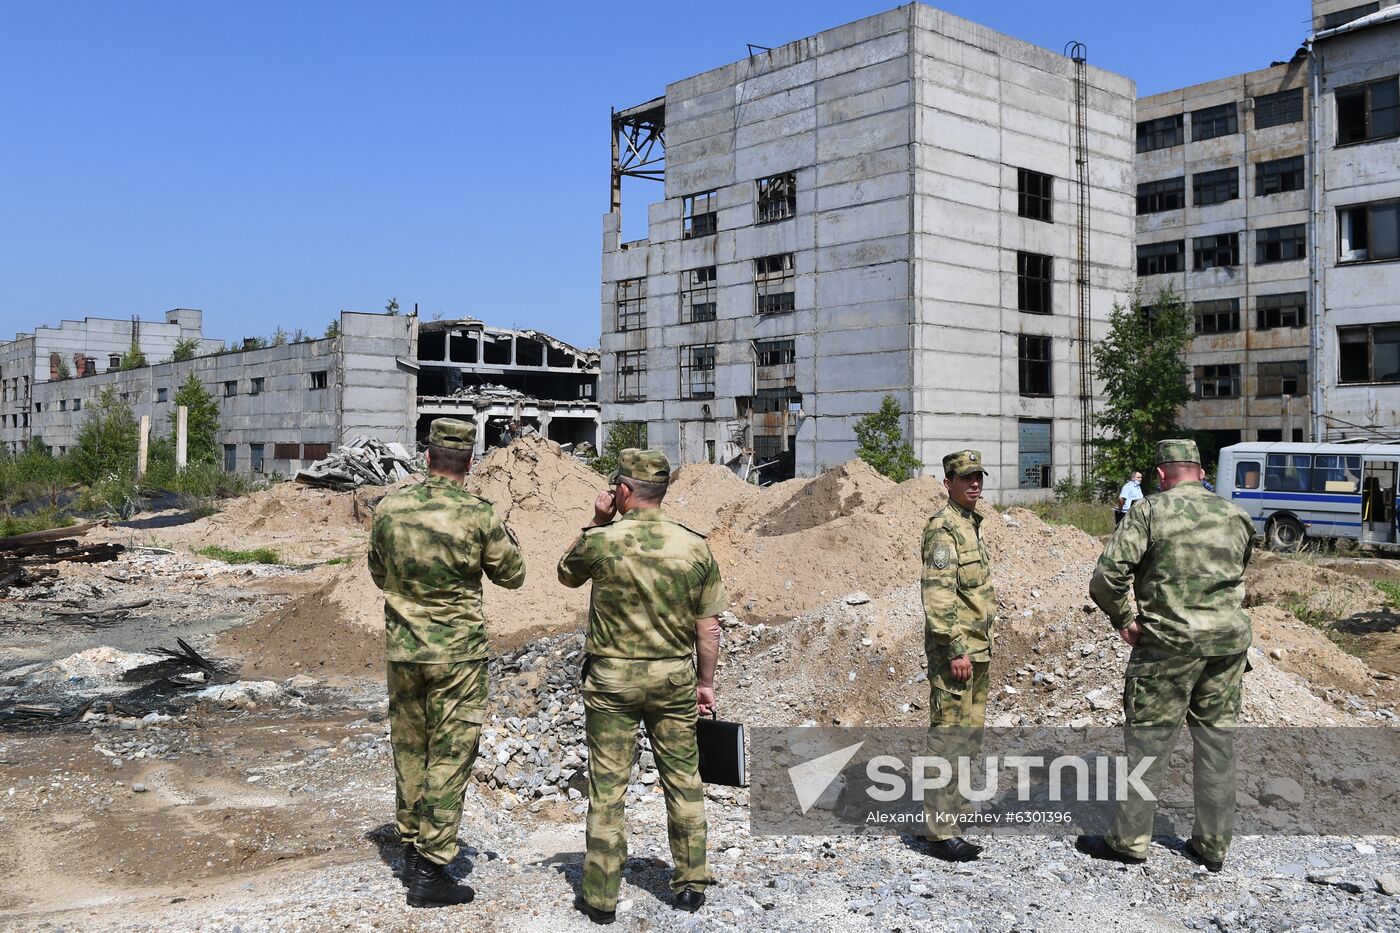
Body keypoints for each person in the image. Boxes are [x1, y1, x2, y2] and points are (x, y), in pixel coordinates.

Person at [557, 448, 725, 923]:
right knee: (683, 779)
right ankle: (691, 883)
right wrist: (705, 684)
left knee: (608, 789)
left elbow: (566, 574)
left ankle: (600, 898)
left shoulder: (602, 541)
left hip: (612, 681)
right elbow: (709, 628)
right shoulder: (694, 546)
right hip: (672, 679)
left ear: (624, 490)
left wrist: (596, 520)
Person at [367, 417, 526, 908]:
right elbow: (513, 575)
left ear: (427, 457)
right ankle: (431, 869)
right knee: (450, 754)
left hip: (404, 650)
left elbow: (378, 571)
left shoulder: (390, 507)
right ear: (470, 462)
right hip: (457, 655)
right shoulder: (478, 515)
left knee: (410, 749)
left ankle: (412, 842)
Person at [1078, 439, 1255, 873]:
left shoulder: (1149, 511)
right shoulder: (1236, 514)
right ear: (1200, 471)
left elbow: (1106, 578)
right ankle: (1213, 846)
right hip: (1227, 647)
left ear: (1160, 474)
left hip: (1168, 646)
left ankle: (1129, 841)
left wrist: (1125, 619)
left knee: (1148, 745)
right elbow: (1238, 570)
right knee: (1217, 745)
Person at [919, 449, 996, 862]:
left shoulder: (970, 524)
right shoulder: (943, 528)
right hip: (958, 654)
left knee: (968, 740)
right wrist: (954, 649)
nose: (974, 483)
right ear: (948, 482)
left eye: (978, 476)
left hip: (978, 651)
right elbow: (938, 597)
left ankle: (956, 816)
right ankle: (939, 833)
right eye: (966, 478)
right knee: (948, 740)